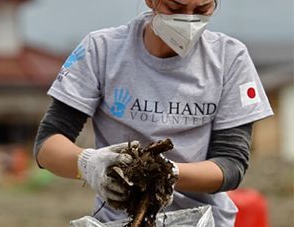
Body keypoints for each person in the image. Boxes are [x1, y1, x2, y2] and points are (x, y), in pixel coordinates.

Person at [33, 0, 274, 226]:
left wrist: (166, 173)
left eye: (202, 9)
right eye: (175, 6)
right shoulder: (102, 51)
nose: (188, 20)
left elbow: (231, 166)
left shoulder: (230, 58)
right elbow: (48, 145)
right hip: (119, 220)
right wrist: (89, 163)